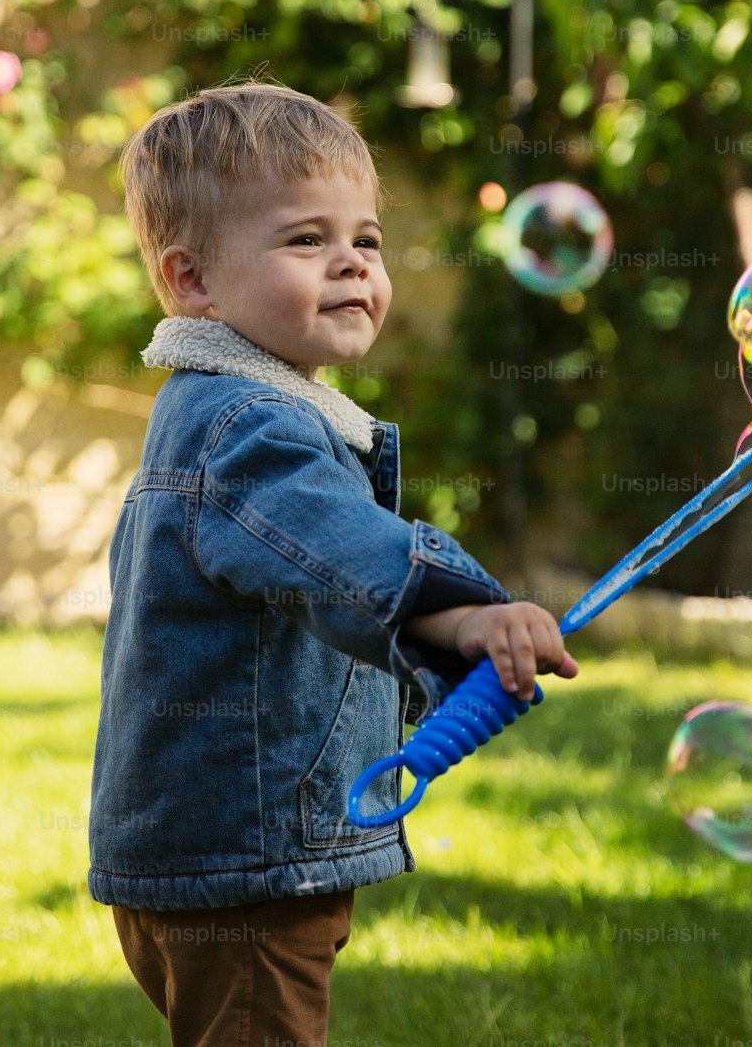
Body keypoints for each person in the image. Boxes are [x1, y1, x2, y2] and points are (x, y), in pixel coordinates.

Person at [87, 74, 579, 1047]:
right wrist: (470, 613)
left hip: (218, 851)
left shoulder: (222, 407)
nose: (351, 264)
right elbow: (335, 548)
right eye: (306, 240)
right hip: (250, 859)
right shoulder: (248, 424)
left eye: (367, 239)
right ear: (193, 281)